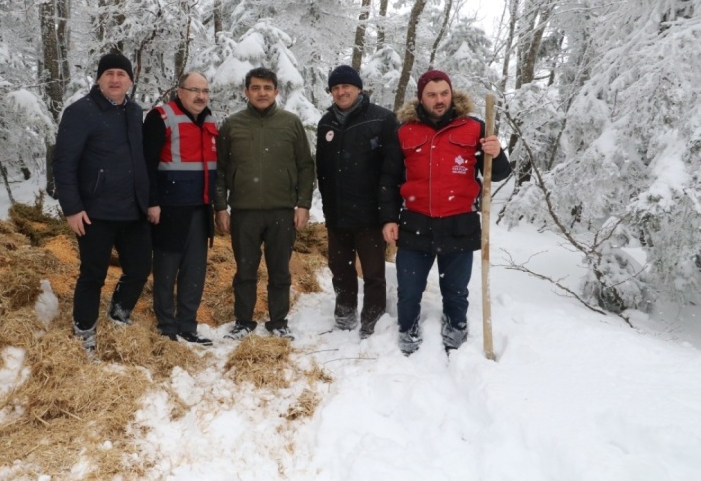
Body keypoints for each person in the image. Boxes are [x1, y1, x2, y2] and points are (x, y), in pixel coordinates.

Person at [378, 69, 511, 355]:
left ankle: (455, 326)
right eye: (432, 95)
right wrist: (389, 217)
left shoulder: (475, 128)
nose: (439, 100)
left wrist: (496, 153)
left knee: (455, 290)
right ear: (421, 98)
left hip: (459, 223)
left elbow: (499, 173)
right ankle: (408, 327)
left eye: (444, 93)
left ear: (451, 94)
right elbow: (389, 179)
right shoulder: (405, 131)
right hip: (415, 222)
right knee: (409, 289)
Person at [53, 53, 152, 353]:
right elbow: (63, 163)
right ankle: (85, 332)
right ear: (98, 79)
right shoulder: (80, 112)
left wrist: (148, 202)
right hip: (94, 213)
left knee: (139, 269)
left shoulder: (135, 112)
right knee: (93, 275)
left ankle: (119, 314)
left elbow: (140, 161)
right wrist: (71, 208)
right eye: (108, 73)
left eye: (121, 75)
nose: (114, 79)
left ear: (130, 81)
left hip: (133, 211)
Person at [214, 67, 315, 341]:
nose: (262, 93)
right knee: (245, 270)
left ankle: (278, 322)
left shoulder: (290, 123)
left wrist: (303, 204)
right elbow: (220, 170)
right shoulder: (232, 124)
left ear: (276, 91)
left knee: (279, 270)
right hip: (244, 213)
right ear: (246, 91)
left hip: (281, 212)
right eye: (256, 88)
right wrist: (221, 206)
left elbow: (306, 166)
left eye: (267, 88)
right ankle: (243, 321)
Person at [316, 65, 400, 339]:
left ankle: (372, 321)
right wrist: (329, 209)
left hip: (370, 214)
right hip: (337, 213)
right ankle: (344, 315)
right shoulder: (326, 123)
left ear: (358, 88)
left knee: (374, 272)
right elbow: (323, 170)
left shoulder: (382, 119)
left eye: (346, 87)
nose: (341, 92)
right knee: (340, 269)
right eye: (335, 88)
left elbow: (392, 168)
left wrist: (387, 211)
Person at [143, 72, 217, 346]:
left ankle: (188, 325)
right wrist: (152, 202)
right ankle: (166, 327)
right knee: (166, 270)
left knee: (194, 271)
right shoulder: (160, 117)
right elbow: (146, 164)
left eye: (205, 91)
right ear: (180, 91)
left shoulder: (209, 120)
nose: (200, 96)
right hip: (168, 210)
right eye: (194, 90)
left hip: (200, 209)